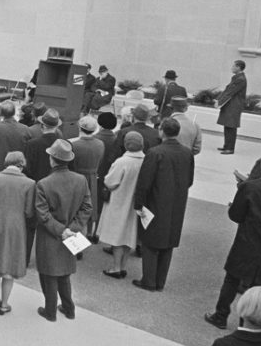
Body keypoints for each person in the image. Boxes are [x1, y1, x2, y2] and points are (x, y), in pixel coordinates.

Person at [204, 149, 261, 330]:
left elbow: (236, 215)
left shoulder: (250, 187)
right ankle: (247, 322)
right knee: (260, 287)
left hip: (247, 240)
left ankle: (221, 315)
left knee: (232, 279)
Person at [33, 139, 92, 322]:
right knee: (64, 273)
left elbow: (42, 214)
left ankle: (50, 311)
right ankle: (68, 308)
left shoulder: (44, 183)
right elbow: (87, 208)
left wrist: (60, 230)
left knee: (48, 274)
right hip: (71, 234)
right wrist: (71, 229)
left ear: (52, 159)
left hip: (50, 234)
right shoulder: (81, 180)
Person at [132, 118, 194, 292]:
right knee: (168, 242)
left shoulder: (154, 153)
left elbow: (145, 182)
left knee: (151, 241)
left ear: (161, 131)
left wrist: (138, 203)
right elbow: (189, 180)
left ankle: (149, 280)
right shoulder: (187, 153)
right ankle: (160, 281)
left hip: (156, 201)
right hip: (177, 202)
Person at [0, 151, 35, 315]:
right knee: (9, 265)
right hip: (16, 224)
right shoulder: (30, 183)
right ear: (22, 164)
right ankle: (5, 303)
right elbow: (29, 211)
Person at [96, 132, 145, 278]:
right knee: (129, 235)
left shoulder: (122, 162)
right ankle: (123, 266)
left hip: (119, 200)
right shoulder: (146, 160)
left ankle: (116, 268)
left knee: (117, 235)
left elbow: (111, 182)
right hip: (135, 203)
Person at [70, 115, 104, 241]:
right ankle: (90, 232)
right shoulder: (100, 144)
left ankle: (76, 237)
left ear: (80, 127)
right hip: (93, 176)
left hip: (78, 177)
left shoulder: (75, 145)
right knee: (90, 205)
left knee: (77, 208)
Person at [216, 60, 248, 154]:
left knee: (231, 127)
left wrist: (219, 102)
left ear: (238, 67)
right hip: (231, 105)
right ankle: (226, 146)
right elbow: (227, 89)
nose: (232, 68)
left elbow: (230, 92)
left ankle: (230, 148)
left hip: (234, 106)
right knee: (227, 126)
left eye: (234, 66)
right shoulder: (237, 77)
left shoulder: (240, 79)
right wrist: (218, 99)